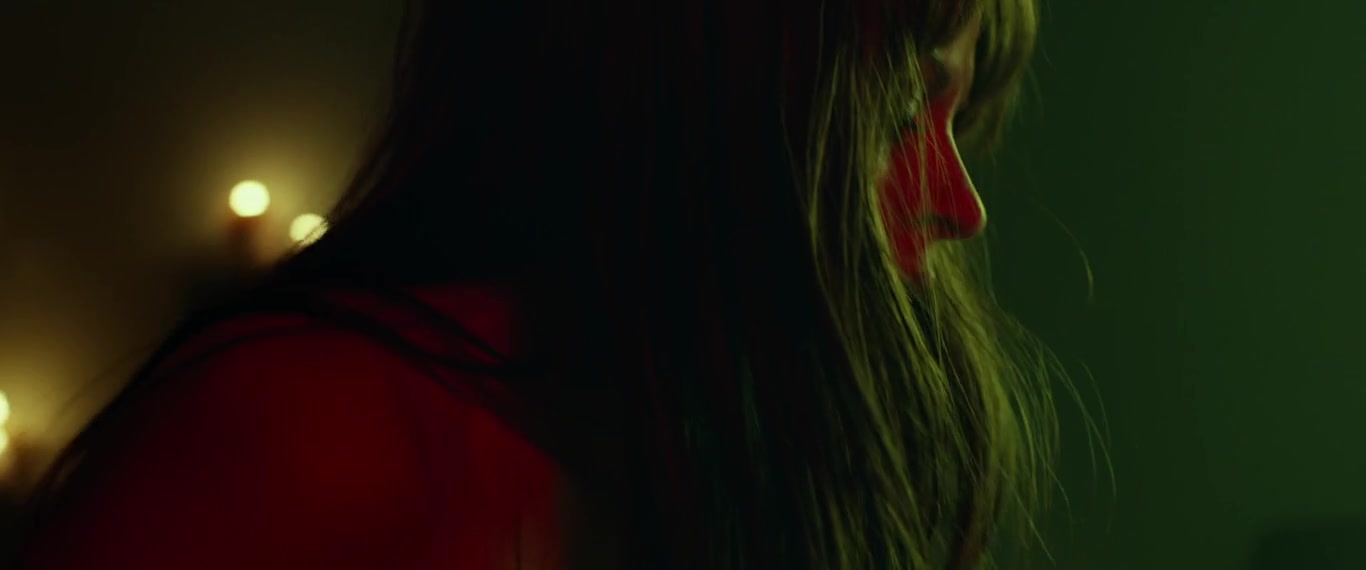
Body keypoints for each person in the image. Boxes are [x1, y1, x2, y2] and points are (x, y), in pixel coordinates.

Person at [14, 0, 1059, 567]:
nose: (959, 204)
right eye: (898, 113)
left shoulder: (703, 469)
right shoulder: (306, 432)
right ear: (692, 104)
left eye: (958, 125)